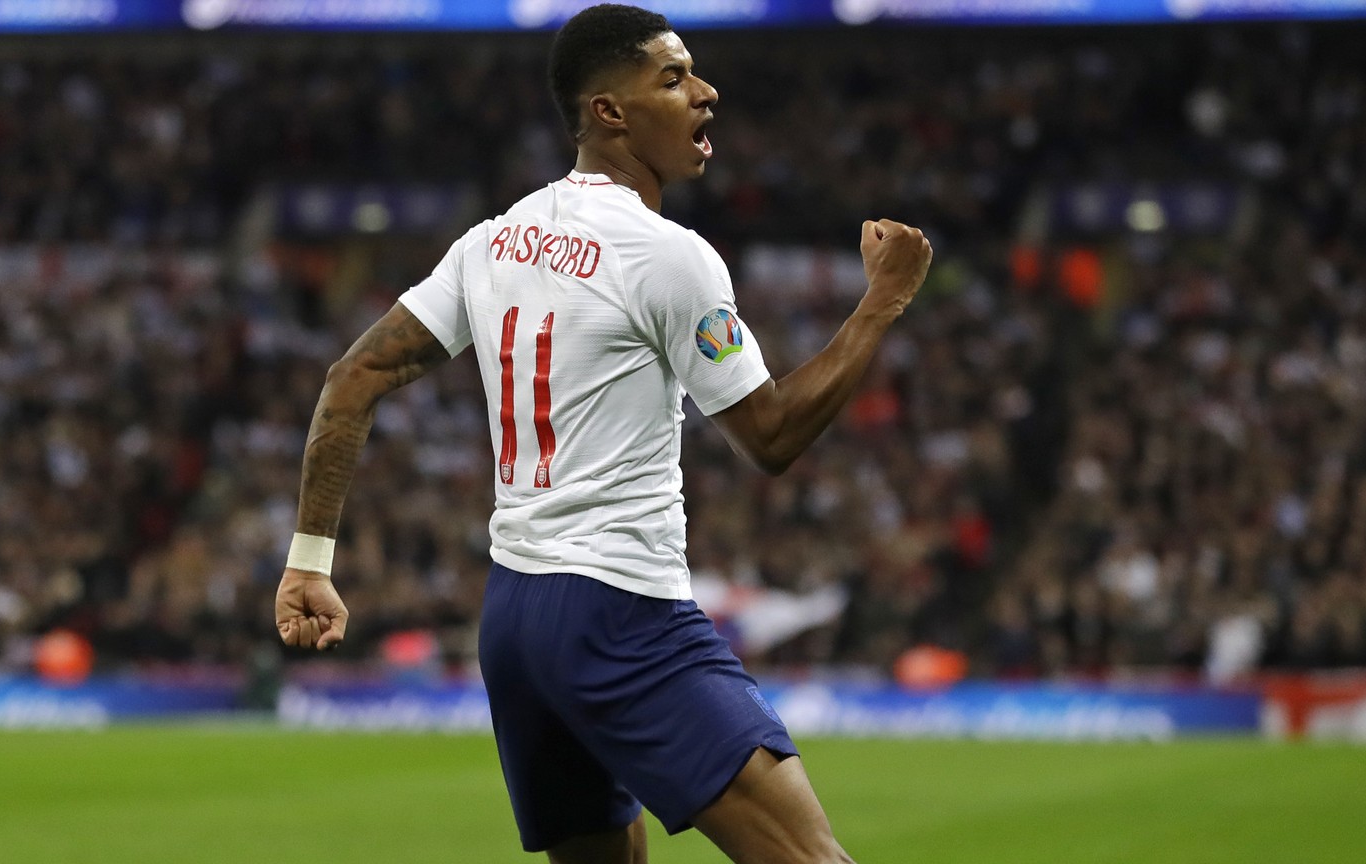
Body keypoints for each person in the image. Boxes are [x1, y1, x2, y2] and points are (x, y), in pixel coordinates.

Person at [274, 5, 931, 862]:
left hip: (513, 622)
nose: (705, 92)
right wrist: (883, 300)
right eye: (672, 78)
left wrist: (310, 562)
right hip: (621, 611)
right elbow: (770, 435)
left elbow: (350, 378)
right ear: (608, 113)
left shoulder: (492, 242)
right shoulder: (667, 254)